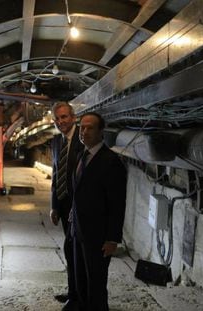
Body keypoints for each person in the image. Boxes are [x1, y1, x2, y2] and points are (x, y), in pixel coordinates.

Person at [71, 112, 127, 311]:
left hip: (98, 235)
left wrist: (112, 238)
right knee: (81, 282)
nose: (84, 132)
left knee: (96, 285)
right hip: (78, 230)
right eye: (81, 127)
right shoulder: (81, 155)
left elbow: (117, 203)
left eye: (89, 128)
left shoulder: (111, 162)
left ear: (101, 132)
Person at [50, 102, 84, 310]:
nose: (61, 121)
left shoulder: (84, 137)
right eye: (57, 118)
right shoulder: (56, 141)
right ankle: (73, 293)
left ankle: (79, 297)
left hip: (79, 207)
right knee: (71, 250)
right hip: (63, 205)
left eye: (64, 117)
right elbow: (55, 174)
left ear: (73, 117)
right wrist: (54, 205)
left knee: (77, 251)